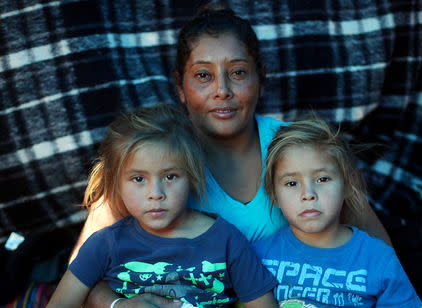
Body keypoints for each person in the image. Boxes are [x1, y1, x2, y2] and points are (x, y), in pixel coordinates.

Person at [72, 6, 392, 308]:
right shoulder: (154, 157)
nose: (222, 90)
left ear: (261, 79)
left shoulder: (301, 149)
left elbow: (382, 254)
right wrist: (116, 304)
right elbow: (80, 275)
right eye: (203, 75)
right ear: (180, 87)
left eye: (238, 72)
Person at [48, 104, 278, 308]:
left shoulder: (227, 241)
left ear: (192, 176)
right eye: (138, 179)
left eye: (170, 177)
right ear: (116, 183)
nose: (155, 194)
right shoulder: (104, 245)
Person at [252, 117, 422, 307]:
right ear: (273, 195)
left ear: (348, 186)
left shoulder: (378, 259)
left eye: (323, 179)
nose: (308, 194)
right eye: (292, 183)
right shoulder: (257, 257)